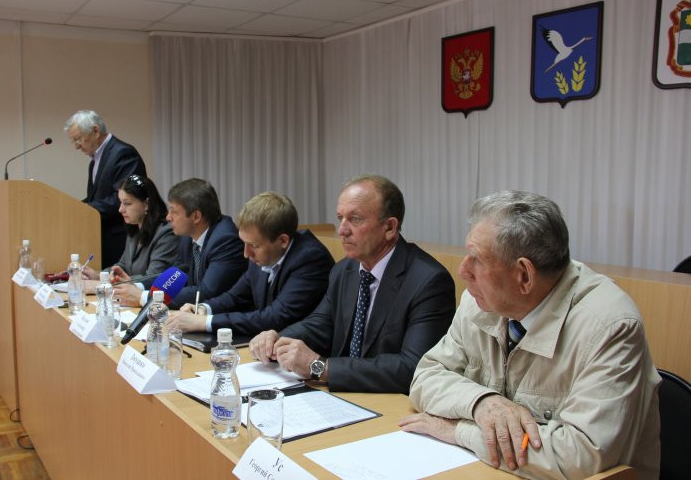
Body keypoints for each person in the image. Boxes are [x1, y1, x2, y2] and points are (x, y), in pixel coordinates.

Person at [400, 191, 660, 479]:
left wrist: (460, 431)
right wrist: (482, 403)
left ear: (524, 275)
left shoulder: (609, 326)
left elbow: (580, 457)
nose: (463, 270)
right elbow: (426, 377)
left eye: (477, 259)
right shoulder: (479, 302)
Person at [250, 175, 456, 394]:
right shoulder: (344, 270)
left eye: (355, 219)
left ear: (389, 227)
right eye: (340, 218)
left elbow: (412, 368)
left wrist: (320, 367)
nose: (342, 230)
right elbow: (320, 324)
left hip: (390, 403)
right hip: (342, 395)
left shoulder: (428, 281)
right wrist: (278, 340)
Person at [166, 192, 334, 336]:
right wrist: (203, 309)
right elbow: (235, 296)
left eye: (254, 245)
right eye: (244, 243)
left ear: (283, 240)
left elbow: (275, 317)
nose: (246, 254)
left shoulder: (310, 259)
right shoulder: (261, 254)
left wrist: (204, 322)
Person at [124, 178, 247, 309]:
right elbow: (173, 277)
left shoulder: (225, 240)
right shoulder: (187, 237)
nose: (168, 217)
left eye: (174, 212)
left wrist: (144, 297)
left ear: (196, 217)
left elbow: (206, 292)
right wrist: (136, 286)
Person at [64, 110, 146, 267]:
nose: (76, 146)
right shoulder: (95, 160)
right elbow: (96, 198)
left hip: (119, 237)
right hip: (102, 236)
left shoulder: (123, 153)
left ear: (95, 131)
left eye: (78, 139)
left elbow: (124, 199)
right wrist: (74, 207)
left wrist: (84, 209)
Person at [81, 175, 179, 295]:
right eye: (120, 203)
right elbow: (122, 266)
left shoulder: (166, 233)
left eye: (127, 203)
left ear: (146, 204)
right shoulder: (134, 228)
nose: (120, 209)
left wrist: (104, 285)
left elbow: (153, 277)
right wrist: (98, 275)